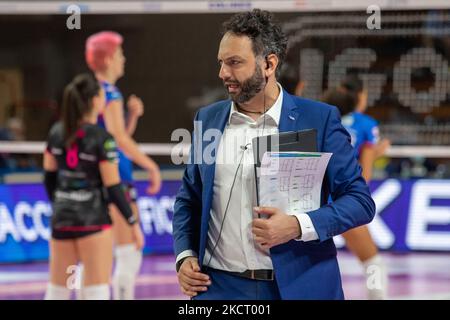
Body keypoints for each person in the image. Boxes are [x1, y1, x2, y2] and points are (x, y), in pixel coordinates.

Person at [173, 9, 375, 300]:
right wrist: (185, 255)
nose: (222, 73)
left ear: (268, 64)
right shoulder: (208, 119)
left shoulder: (319, 119)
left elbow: (360, 202)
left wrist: (296, 226)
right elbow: (188, 198)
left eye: (234, 63)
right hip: (218, 289)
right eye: (221, 62)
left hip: (301, 286)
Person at [43, 74, 143, 300]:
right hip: (93, 221)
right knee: (95, 290)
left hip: (62, 219)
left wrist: (61, 203)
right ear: (95, 101)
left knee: (57, 290)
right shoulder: (102, 138)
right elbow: (113, 187)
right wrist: (132, 221)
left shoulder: (55, 133)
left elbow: (49, 178)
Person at [85, 31, 162, 300]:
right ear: (107, 59)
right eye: (119, 54)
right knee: (129, 251)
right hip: (115, 179)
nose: (124, 59)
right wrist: (151, 166)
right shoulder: (109, 92)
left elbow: (110, 137)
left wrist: (131, 118)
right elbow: (117, 138)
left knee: (99, 254)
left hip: (95, 180)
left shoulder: (87, 91)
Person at [322, 75, 390, 299]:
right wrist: (375, 152)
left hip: (315, 202)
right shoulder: (366, 125)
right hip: (342, 202)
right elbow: (365, 175)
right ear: (360, 96)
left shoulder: (322, 119)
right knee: (372, 261)